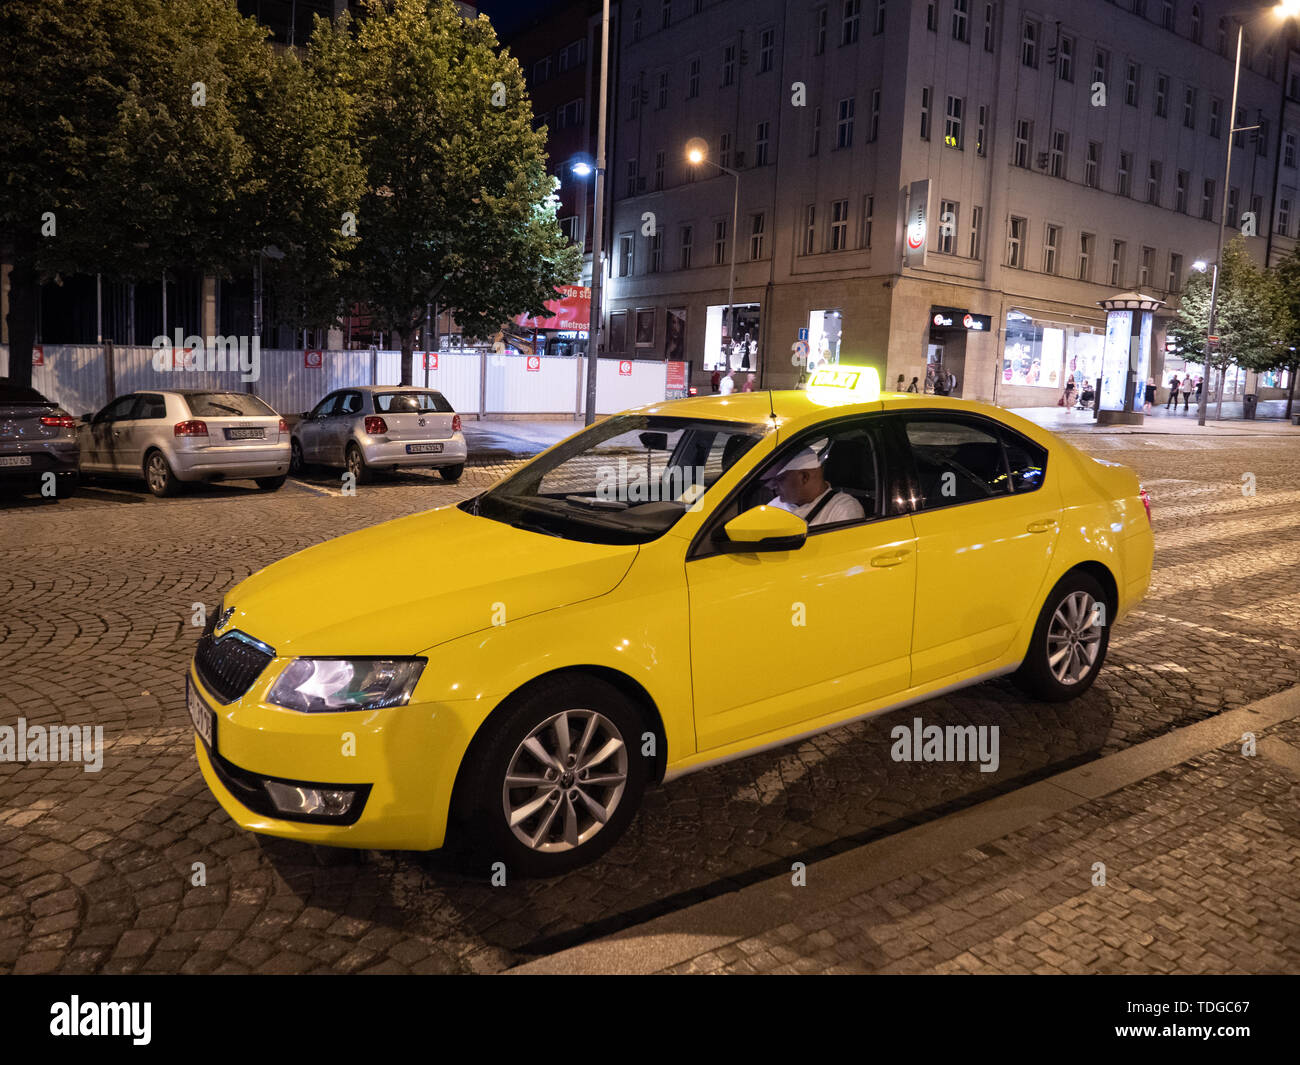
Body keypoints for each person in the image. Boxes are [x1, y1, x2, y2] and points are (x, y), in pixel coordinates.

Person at [764, 445, 865, 527]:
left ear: (804, 477)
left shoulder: (844, 509)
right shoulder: (774, 505)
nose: (772, 485)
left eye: (780, 479)